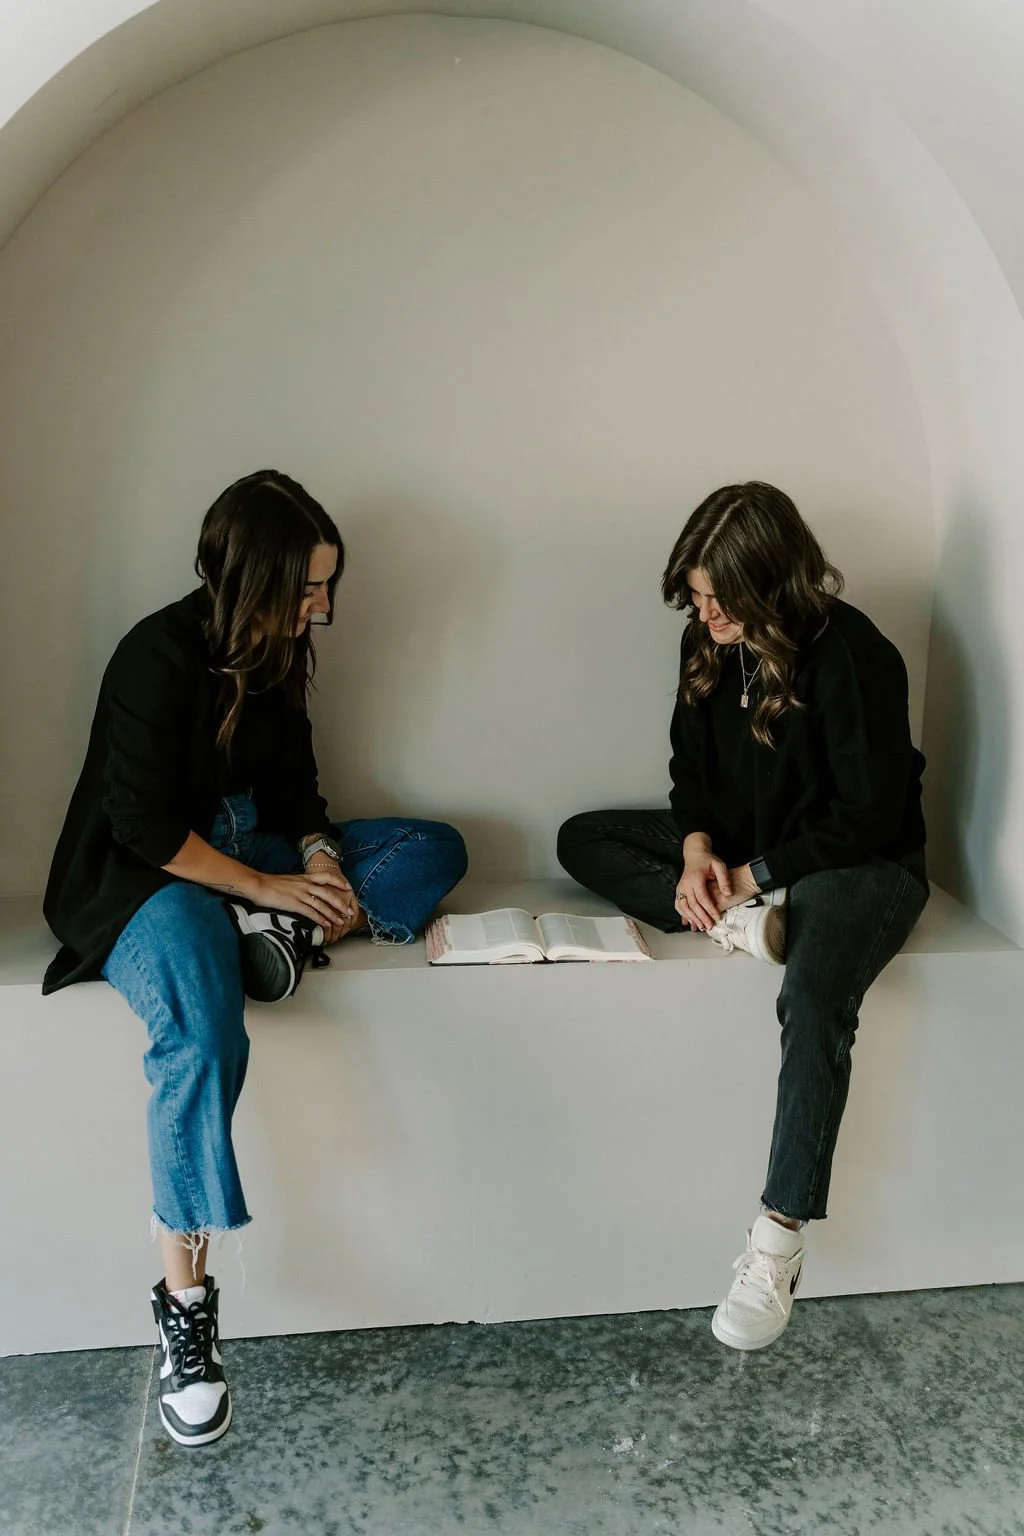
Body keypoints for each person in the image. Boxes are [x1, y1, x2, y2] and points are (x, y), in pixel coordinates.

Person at [42, 470, 468, 1443]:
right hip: (151, 875)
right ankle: (186, 1305)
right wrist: (268, 890)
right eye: (310, 587)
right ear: (254, 578)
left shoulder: (278, 655)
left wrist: (316, 857)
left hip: (252, 854)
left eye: (327, 586)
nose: (324, 607)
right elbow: (143, 825)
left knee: (431, 850)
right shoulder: (152, 656)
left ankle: (282, 932)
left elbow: (298, 788)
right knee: (200, 1030)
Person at [557, 482, 927, 1352]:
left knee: (815, 1000)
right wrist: (696, 852)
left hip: (857, 864)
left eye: (722, 598)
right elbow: (689, 770)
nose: (706, 613)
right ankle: (735, 924)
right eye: (696, 597)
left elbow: (868, 814)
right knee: (583, 837)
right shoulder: (707, 643)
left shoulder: (854, 653)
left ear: (775, 580)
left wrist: (753, 873)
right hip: (746, 857)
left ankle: (777, 1241)